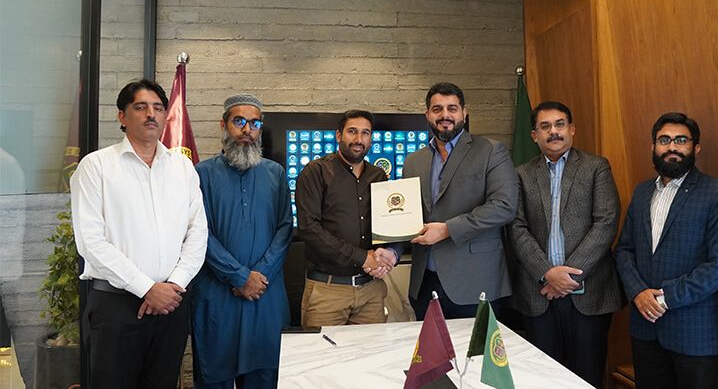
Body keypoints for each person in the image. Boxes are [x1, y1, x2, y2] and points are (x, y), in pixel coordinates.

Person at [70, 79, 208, 389]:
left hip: (172, 306)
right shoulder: (96, 167)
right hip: (116, 308)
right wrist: (147, 288)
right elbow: (90, 243)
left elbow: (198, 233)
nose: (151, 115)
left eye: (158, 108)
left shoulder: (182, 168)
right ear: (122, 116)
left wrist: (173, 285)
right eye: (140, 107)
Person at [614, 112, 718, 389]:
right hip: (645, 330)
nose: (672, 147)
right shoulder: (642, 192)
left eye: (680, 140)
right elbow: (624, 250)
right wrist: (637, 292)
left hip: (696, 332)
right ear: (653, 147)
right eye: (664, 140)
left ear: (695, 148)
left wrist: (665, 298)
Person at [507, 101, 623, 388]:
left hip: (589, 293)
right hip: (539, 293)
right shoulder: (521, 174)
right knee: (543, 379)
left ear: (571, 129)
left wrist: (567, 276)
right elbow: (516, 227)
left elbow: (606, 222)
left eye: (559, 124)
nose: (553, 132)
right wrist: (548, 273)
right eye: (545, 127)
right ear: (534, 135)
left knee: (587, 377)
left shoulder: (596, 167)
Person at [191, 94, 293, 388]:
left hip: (265, 293)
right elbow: (199, 233)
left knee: (265, 375)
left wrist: (259, 274)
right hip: (217, 296)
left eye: (255, 123)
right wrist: (239, 275)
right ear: (224, 125)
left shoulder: (275, 174)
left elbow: (285, 227)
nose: (247, 129)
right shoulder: (201, 174)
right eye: (239, 121)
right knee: (214, 376)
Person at [403, 82, 518, 319]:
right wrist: (392, 251)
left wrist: (447, 229)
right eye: (437, 109)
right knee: (431, 356)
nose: (445, 115)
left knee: (474, 356)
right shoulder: (413, 161)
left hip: (475, 283)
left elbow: (504, 206)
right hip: (424, 285)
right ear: (427, 115)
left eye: (452, 108)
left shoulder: (490, 151)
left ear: (464, 113)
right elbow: (407, 216)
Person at [295, 110, 396, 326]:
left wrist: (388, 253)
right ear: (339, 135)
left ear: (371, 139)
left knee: (372, 358)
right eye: (352, 132)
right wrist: (362, 257)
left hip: (371, 290)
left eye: (365, 133)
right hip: (327, 292)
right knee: (323, 359)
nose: (359, 139)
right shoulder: (315, 172)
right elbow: (309, 228)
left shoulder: (378, 175)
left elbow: (390, 223)